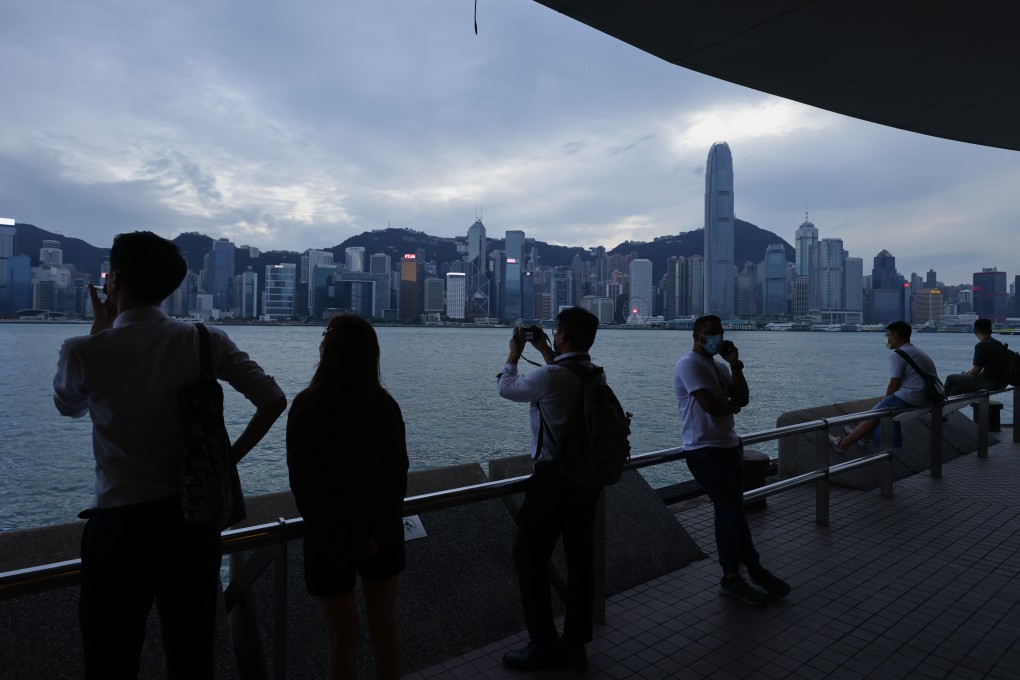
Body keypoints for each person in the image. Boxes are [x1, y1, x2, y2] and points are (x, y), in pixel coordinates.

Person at [53, 231, 287, 680]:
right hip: (191, 526)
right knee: (192, 656)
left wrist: (100, 331)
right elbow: (273, 399)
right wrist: (227, 461)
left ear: (114, 281)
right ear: (171, 286)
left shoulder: (84, 351)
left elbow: (69, 406)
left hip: (119, 528)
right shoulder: (205, 341)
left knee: (109, 660)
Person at [287, 314, 409, 680]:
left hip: (329, 540)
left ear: (329, 351)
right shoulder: (385, 406)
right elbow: (396, 479)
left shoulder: (307, 406)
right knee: (384, 629)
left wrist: (341, 534)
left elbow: (305, 486)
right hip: (381, 534)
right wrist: (374, 531)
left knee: (342, 637)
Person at [496, 307, 604, 671]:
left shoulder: (549, 376)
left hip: (552, 480)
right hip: (585, 479)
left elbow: (506, 388)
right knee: (580, 560)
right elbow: (562, 374)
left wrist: (513, 354)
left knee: (527, 556)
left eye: (556, 333)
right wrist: (545, 349)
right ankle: (575, 644)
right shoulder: (593, 372)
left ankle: (543, 645)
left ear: (562, 336)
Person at [673, 314, 791, 606]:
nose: (719, 337)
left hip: (729, 446)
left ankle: (731, 577)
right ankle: (755, 570)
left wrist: (736, 365)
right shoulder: (689, 364)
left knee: (726, 515)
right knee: (733, 514)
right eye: (712, 333)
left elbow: (743, 398)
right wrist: (732, 406)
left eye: (721, 332)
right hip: (704, 451)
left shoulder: (720, 367)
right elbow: (710, 405)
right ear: (697, 336)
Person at [830, 320, 938, 452]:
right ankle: (864, 437)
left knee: (875, 413)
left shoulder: (898, 354)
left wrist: (885, 401)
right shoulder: (916, 351)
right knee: (879, 412)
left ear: (895, 337)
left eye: (888, 335)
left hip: (912, 395)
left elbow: (895, 382)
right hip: (925, 397)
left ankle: (842, 444)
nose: (887, 338)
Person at [944, 318, 1009, 396]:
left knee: (950, 378)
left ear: (975, 331)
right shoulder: (998, 343)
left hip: (989, 383)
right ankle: (950, 404)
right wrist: (967, 375)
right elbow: (992, 368)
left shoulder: (982, 345)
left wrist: (967, 375)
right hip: (1001, 383)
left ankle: (939, 400)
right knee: (956, 388)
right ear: (990, 330)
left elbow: (976, 369)